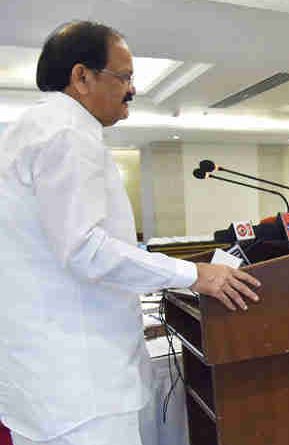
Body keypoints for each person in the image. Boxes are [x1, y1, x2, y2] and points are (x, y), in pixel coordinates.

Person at [0, 21, 261, 445]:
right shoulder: (67, 131)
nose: (133, 90)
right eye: (124, 77)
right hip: (81, 391)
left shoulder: (30, 129)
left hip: (47, 384)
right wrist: (194, 275)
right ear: (82, 77)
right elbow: (86, 249)